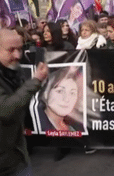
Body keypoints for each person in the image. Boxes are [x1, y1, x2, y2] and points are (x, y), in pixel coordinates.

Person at [0, 29, 48, 176]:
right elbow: (5, 110)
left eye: (20, 49)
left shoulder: (13, 69)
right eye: (11, 50)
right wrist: (35, 81)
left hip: (17, 157)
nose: (17, 55)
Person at [38, 67, 84, 132]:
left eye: (72, 93)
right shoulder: (36, 125)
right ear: (45, 93)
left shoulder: (75, 128)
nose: (66, 99)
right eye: (60, 91)